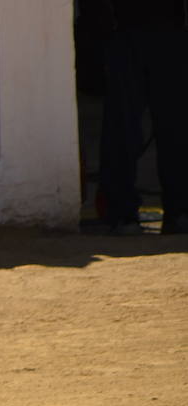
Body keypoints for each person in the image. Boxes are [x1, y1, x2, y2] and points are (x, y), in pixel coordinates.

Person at [91, 0, 188, 234]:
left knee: (175, 127)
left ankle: (178, 210)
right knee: (123, 128)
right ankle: (122, 211)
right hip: (124, 31)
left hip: (168, 31)